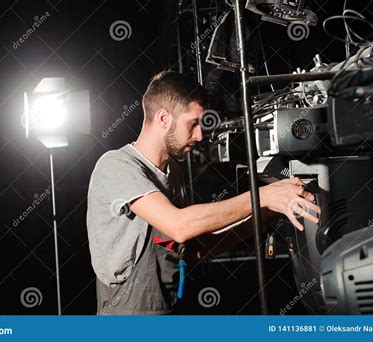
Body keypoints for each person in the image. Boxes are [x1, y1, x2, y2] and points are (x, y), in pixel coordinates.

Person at [86, 70, 320, 315]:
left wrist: (262, 215)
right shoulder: (116, 166)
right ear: (164, 118)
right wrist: (262, 196)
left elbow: (193, 250)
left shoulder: (173, 172)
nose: (199, 135)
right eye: (192, 123)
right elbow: (180, 226)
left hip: (167, 309)